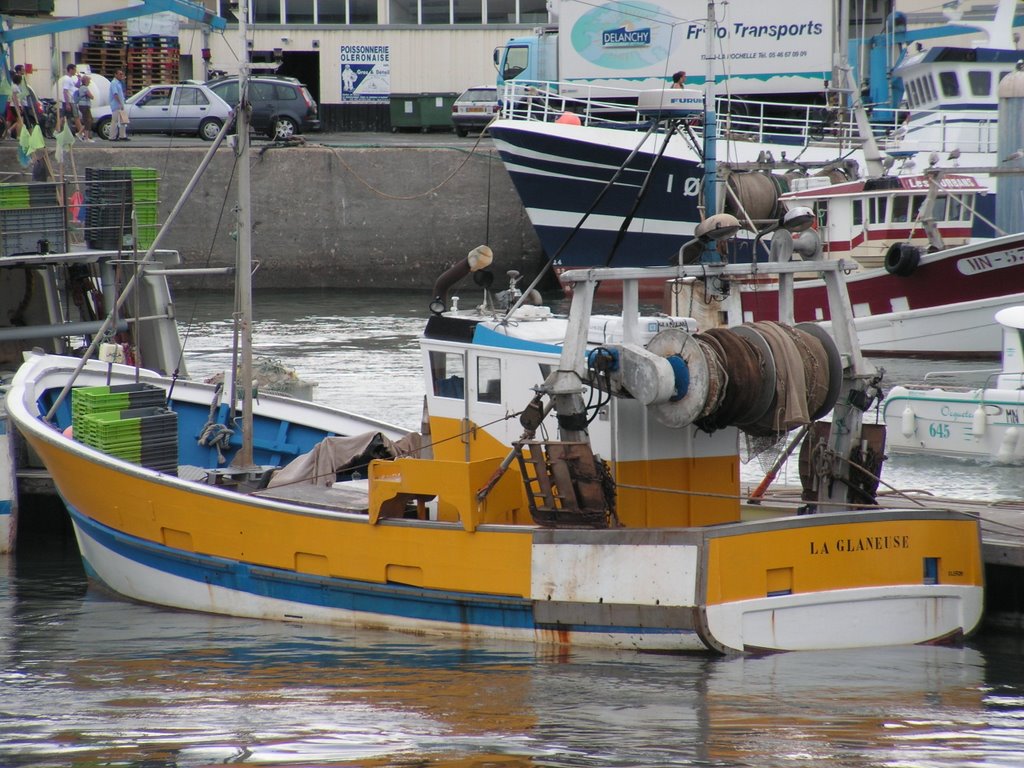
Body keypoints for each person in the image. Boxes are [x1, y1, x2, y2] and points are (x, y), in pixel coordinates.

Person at [58, 63, 81, 135]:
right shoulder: (67, 79)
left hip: (71, 101)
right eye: (74, 69)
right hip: (70, 101)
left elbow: (77, 86)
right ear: (70, 70)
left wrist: (79, 79)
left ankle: (57, 131)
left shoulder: (70, 79)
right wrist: (68, 103)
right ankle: (81, 133)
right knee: (76, 116)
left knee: (63, 117)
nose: (75, 71)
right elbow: (65, 91)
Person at [109, 68, 129, 141]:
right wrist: (120, 103)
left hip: (121, 104)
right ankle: (112, 137)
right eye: (120, 74)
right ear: (115, 74)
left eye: (122, 74)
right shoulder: (114, 83)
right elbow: (115, 94)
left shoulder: (119, 83)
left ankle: (122, 135)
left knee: (123, 120)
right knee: (115, 121)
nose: (121, 75)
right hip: (116, 105)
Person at [76, 73, 95, 141]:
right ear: (86, 81)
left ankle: (80, 133)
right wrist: (91, 96)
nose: (89, 82)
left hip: (82, 105)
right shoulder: (84, 88)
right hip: (85, 105)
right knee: (87, 120)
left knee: (89, 120)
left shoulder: (81, 87)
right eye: (89, 81)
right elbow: (91, 96)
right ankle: (85, 137)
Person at [5, 72, 23, 140]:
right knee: (19, 121)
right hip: (14, 105)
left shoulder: (14, 86)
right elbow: (14, 97)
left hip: (13, 105)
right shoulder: (15, 87)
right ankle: (18, 135)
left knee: (12, 120)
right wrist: (17, 107)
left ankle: (8, 133)